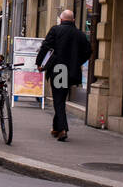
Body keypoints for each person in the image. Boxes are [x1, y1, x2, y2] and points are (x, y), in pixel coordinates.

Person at [36, 8, 92, 142]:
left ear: (61, 20)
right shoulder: (80, 34)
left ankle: (62, 129)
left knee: (59, 100)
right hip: (71, 71)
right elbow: (88, 51)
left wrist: (39, 63)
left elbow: (45, 46)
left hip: (59, 69)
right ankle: (56, 128)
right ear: (73, 20)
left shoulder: (56, 30)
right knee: (60, 98)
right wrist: (77, 62)